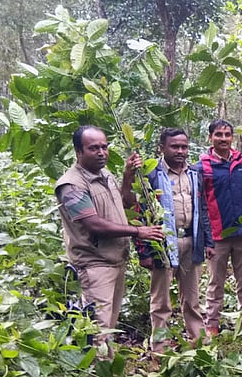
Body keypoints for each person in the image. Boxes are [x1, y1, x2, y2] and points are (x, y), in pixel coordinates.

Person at [54, 125, 164, 355]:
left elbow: (124, 202)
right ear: (78, 151)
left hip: (115, 260)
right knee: (97, 329)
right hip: (95, 265)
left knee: (109, 325)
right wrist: (138, 232)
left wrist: (127, 175)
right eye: (93, 148)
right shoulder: (72, 184)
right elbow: (93, 224)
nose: (101, 152)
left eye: (104, 147)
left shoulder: (105, 175)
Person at [134, 128, 213, 352]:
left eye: (184, 147)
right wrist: (144, 252)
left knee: (192, 298)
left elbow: (202, 209)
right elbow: (139, 212)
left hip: (190, 240)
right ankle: (160, 348)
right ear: (162, 148)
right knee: (161, 301)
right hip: (163, 244)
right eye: (174, 146)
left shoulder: (195, 173)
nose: (180, 151)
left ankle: (198, 343)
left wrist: (208, 242)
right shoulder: (151, 174)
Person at [193, 120, 242, 337]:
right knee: (215, 283)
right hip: (217, 236)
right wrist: (206, 238)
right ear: (210, 137)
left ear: (233, 137)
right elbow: (199, 204)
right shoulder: (202, 167)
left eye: (227, 134)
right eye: (218, 134)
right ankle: (211, 325)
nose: (223, 138)